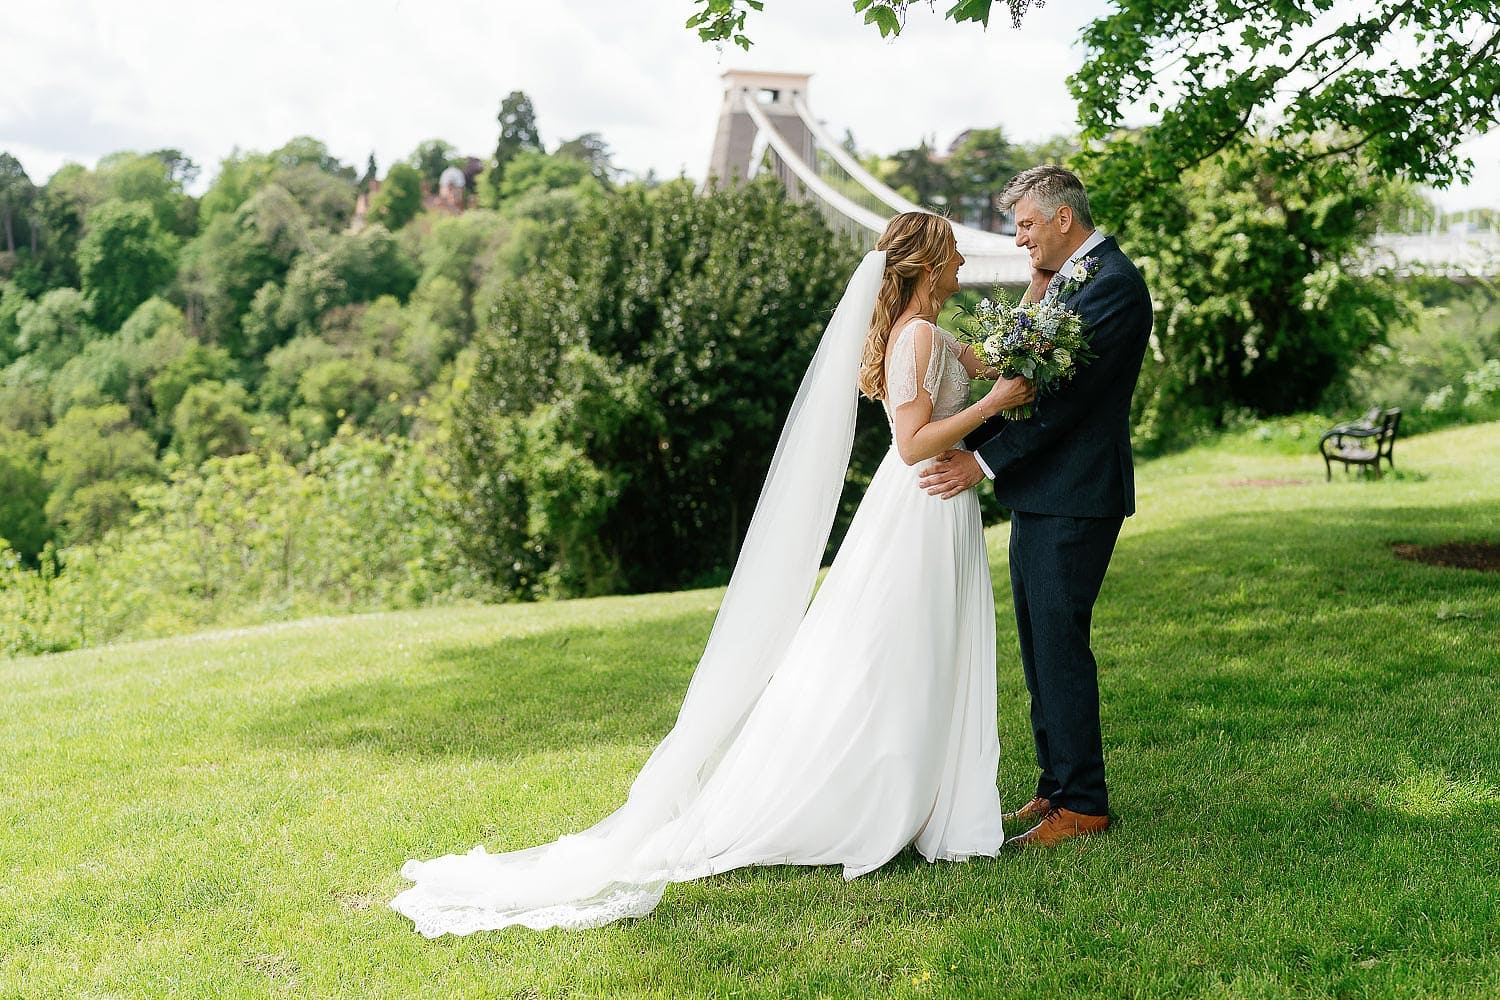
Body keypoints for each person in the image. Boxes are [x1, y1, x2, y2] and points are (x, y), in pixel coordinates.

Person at [391, 213, 1034, 935]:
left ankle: (928, 793)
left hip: (940, 506)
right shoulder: (915, 337)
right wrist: (993, 404)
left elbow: (1000, 366)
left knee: (927, 648)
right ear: (928, 264)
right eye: (953, 253)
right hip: (919, 503)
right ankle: (883, 795)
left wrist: (1036, 335)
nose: (963, 262)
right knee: (904, 650)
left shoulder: (933, 335)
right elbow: (913, 443)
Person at [918, 165, 1153, 847]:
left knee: (1060, 647)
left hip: (1077, 494)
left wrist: (980, 460)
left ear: (1062, 218)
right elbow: (1020, 369)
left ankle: (1083, 805)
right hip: (1045, 494)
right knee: (1039, 646)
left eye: (1024, 225)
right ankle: (1055, 788)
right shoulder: (1066, 280)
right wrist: (1036, 291)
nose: (1019, 238)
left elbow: (1063, 402)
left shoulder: (1112, 286)